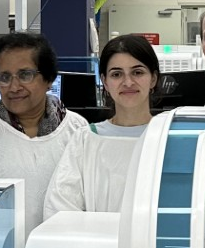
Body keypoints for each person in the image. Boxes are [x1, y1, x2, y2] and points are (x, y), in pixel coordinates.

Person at [0, 31, 88, 229]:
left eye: (25, 75)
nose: (14, 87)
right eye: (5, 77)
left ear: (49, 79)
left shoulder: (78, 130)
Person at [46, 34, 159, 216]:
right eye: (117, 74)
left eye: (137, 72)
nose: (128, 82)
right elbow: (60, 207)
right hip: (96, 244)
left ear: (153, 78)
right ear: (105, 82)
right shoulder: (86, 139)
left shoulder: (168, 137)